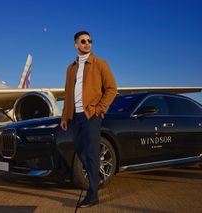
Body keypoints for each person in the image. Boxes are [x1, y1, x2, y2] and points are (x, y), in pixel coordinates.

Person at [60, 31, 117, 208]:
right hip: (74, 117)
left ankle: (93, 194)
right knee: (79, 149)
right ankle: (96, 178)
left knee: (92, 154)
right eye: (83, 41)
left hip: (90, 115)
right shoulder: (71, 68)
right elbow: (67, 93)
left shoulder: (100, 64)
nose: (87, 43)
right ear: (76, 44)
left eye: (89, 41)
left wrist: (98, 109)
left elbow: (111, 89)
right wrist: (64, 116)